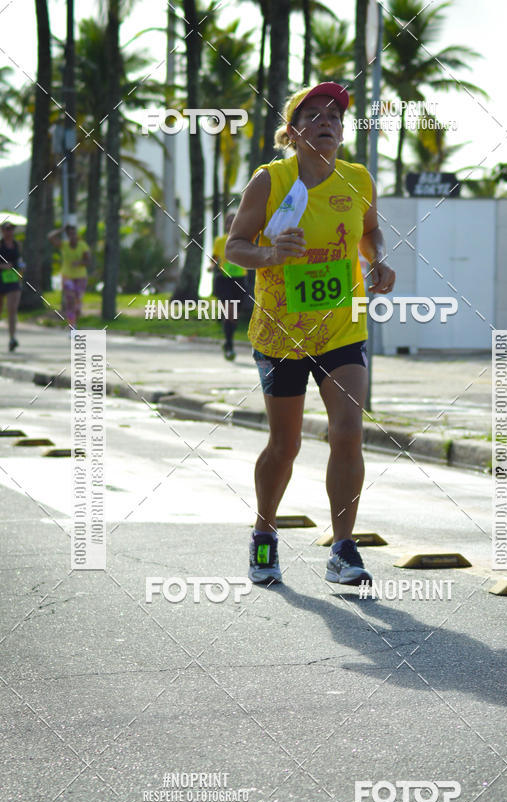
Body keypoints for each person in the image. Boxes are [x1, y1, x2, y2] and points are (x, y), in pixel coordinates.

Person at [226, 81, 395, 586]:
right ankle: (264, 532)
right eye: (314, 115)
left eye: (335, 116)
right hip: (281, 333)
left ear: (342, 131)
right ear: (294, 131)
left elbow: (370, 231)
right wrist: (270, 254)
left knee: (348, 431)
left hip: (341, 327)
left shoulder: (357, 179)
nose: (327, 122)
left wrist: (378, 260)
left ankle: (343, 548)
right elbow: (235, 246)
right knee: (286, 444)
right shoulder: (271, 181)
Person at [208, 212, 248, 360]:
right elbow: (214, 258)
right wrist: (211, 266)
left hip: (239, 280)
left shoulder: (245, 240)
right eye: (228, 222)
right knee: (229, 312)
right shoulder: (220, 241)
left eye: (233, 221)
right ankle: (229, 345)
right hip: (224, 280)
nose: (230, 225)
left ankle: (228, 341)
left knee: (235, 316)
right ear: (225, 225)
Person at [48, 222, 90, 329]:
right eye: (70, 233)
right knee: (70, 302)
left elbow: (88, 261)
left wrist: (79, 263)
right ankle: (72, 326)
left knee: (77, 305)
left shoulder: (82, 245)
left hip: (80, 277)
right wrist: (62, 229)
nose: (72, 235)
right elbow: (50, 237)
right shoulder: (64, 245)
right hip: (67, 277)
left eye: (73, 233)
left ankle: (75, 321)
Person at [0, 220, 23, 351]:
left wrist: (21, 269)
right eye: (7, 229)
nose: (10, 232)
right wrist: (3, 266)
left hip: (13, 280)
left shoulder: (17, 245)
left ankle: (12, 338)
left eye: (12, 229)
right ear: (2, 230)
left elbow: (20, 261)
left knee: (12, 310)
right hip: (0, 279)